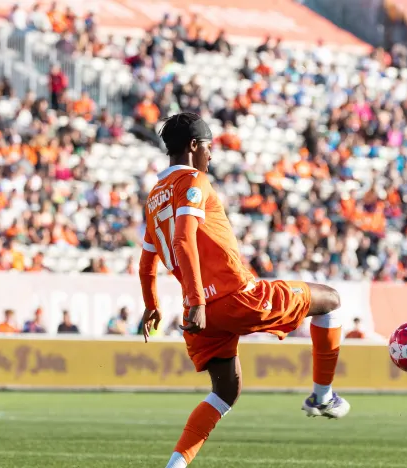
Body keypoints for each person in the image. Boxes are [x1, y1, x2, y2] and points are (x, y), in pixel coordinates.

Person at [139, 113, 348, 468]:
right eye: (208, 147)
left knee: (225, 391)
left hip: (202, 316)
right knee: (330, 301)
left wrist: (152, 305)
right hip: (232, 297)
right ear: (193, 147)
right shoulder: (194, 180)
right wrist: (196, 299)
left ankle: (175, 466)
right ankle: (322, 396)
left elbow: (147, 263)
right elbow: (183, 237)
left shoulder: (154, 198)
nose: (211, 155)